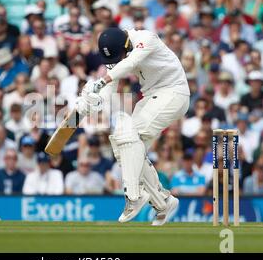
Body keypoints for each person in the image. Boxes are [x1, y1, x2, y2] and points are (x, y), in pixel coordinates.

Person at [76, 27, 190, 225]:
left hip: (174, 93)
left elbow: (131, 62)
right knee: (123, 143)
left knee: (128, 134)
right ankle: (163, 201)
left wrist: (100, 81)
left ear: (125, 47)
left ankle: (133, 196)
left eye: (118, 58)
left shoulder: (146, 38)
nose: (116, 62)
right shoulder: (118, 50)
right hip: (151, 97)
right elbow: (109, 88)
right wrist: (90, 101)